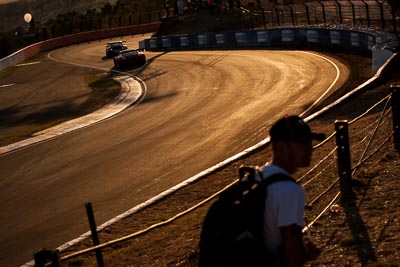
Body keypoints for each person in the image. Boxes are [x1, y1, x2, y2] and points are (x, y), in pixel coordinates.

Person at [260, 115, 324, 267]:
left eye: (310, 142)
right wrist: (306, 253)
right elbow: (293, 255)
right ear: (281, 146)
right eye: (302, 143)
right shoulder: (289, 190)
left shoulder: (258, 177)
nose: (310, 148)